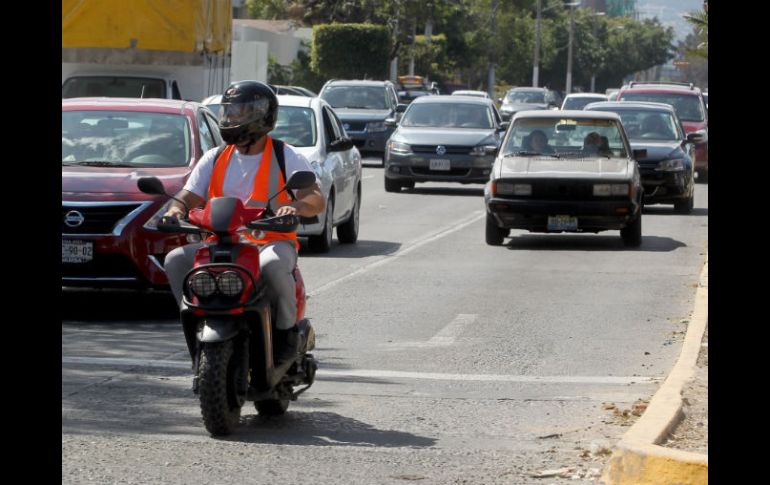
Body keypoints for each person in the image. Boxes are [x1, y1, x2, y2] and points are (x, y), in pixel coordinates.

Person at [162, 80, 325, 365]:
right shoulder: (214, 158)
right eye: (229, 111)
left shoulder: (285, 155)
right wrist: (175, 211)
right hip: (222, 243)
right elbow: (186, 197)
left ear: (262, 116)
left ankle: (287, 335)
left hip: (271, 242)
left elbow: (315, 198)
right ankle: (194, 322)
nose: (231, 118)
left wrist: (294, 207)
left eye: (240, 112)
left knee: (272, 267)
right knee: (176, 259)